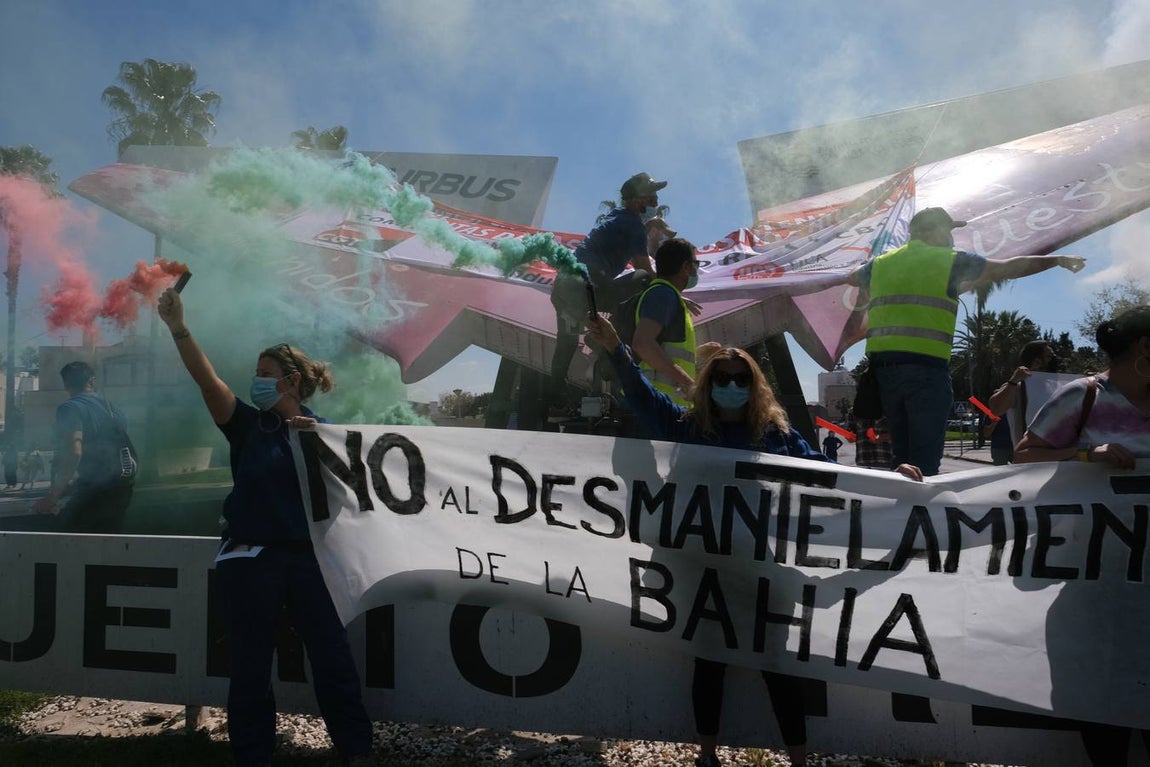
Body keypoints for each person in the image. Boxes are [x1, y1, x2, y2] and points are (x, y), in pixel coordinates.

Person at [586, 315, 923, 767]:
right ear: (708, 384)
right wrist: (616, 350)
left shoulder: (776, 437)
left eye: (740, 379)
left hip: (761, 568)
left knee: (777, 666)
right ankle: (707, 756)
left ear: (754, 384)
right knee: (709, 662)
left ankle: (799, 760)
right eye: (722, 379)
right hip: (701, 567)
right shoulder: (687, 428)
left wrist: (890, 481)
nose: (730, 385)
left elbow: (830, 478)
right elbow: (641, 395)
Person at [157, 288, 373, 767]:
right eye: (256, 375)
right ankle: (253, 757)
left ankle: (357, 750)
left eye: (265, 375)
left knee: (333, 658)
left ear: (291, 381)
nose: (255, 382)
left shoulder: (326, 435)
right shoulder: (247, 426)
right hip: (250, 563)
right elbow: (206, 379)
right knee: (251, 667)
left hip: (310, 562)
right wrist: (179, 328)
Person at [847, 206, 1085, 476]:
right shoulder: (950, 260)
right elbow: (1007, 268)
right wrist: (1057, 260)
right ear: (932, 231)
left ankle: (899, 509)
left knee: (901, 457)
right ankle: (924, 513)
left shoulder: (880, 264)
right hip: (925, 372)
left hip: (884, 376)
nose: (950, 237)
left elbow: (851, 276)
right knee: (924, 464)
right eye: (947, 230)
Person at [1014, 306, 1150, 767]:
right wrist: (1091, 454)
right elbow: (1023, 456)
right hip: (1094, 585)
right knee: (1103, 705)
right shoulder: (1084, 397)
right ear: (1144, 349)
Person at [549, 172, 665, 407]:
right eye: (651, 195)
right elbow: (644, 267)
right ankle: (608, 342)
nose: (655, 199)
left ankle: (554, 395)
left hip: (564, 288)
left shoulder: (618, 216)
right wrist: (668, 292)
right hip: (587, 287)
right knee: (644, 280)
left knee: (567, 342)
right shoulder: (632, 224)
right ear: (637, 199)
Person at [32, 361, 136, 532]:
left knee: (62, 539)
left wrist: (52, 497)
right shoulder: (114, 409)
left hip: (96, 491)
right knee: (106, 545)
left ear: (66, 383)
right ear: (92, 381)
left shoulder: (70, 408)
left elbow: (74, 452)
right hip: (123, 489)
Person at [632, 237, 701, 406]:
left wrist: (700, 353)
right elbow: (642, 344)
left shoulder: (667, 295)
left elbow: (667, 350)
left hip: (660, 405)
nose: (696, 270)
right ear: (685, 267)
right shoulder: (664, 294)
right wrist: (689, 383)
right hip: (655, 406)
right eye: (696, 263)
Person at [985, 340, 1055, 465]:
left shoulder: (1056, 387)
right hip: (1023, 457)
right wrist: (1013, 381)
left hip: (1053, 457)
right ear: (1037, 361)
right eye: (1049, 357)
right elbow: (996, 409)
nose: (1054, 360)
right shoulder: (1019, 387)